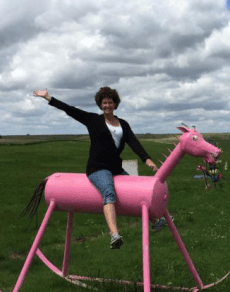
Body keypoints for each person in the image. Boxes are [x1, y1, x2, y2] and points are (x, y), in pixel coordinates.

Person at [33, 87, 167, 249]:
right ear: (100, 104)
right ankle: (114, 235)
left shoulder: (123, 124)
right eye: (104, 103)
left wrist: (147, 160)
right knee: (108, 192)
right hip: (97, 168)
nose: (107, 106)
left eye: (110, 102)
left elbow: (134, 143)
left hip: (116, 167)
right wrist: (48, 98)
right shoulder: (93, 120)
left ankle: (155, 222)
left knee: (137, 190)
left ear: (115, 104)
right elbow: (70, 110)